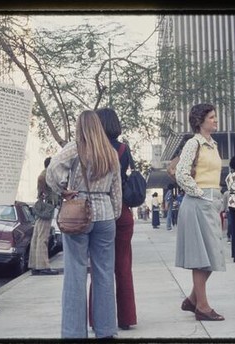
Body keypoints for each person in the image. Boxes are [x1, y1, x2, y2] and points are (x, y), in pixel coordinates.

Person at [46, 110, 122, 339]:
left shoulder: (75, 147)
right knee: (105, 274)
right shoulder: (110, 152)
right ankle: (106, 331)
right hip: (105, 215)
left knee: (76, 274)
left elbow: (52, 170)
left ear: (80, 127)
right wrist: (113, 214)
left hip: (77, 214)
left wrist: (63, 190)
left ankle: (74, 333)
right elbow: (117, 190)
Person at [175, 103, 226, 321]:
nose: (216, 120)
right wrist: (200, 193)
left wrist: (216, 198)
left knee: (213, 254)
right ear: (200, 121)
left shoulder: (212, 145)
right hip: (198, 202)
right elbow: (181, 173)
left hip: (211, 202)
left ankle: (192, 300)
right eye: (212, 117)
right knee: (201, 257)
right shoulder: (193, 144)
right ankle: (202, 307)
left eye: (215, 116)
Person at [92, 107, 137, 330]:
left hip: (100, 211)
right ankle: (126, 318)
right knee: (123, 265)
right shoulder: (123, 149)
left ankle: (97, 318)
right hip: (123, 211)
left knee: (100, 266)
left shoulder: (92, 148)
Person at [29, 157, 59, 275]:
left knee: (37, 236)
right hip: (46, 208)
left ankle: (35, 264)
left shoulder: (43, 174)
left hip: (42, 207)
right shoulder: (47, 175)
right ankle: (43, 266)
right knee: (43, 237)